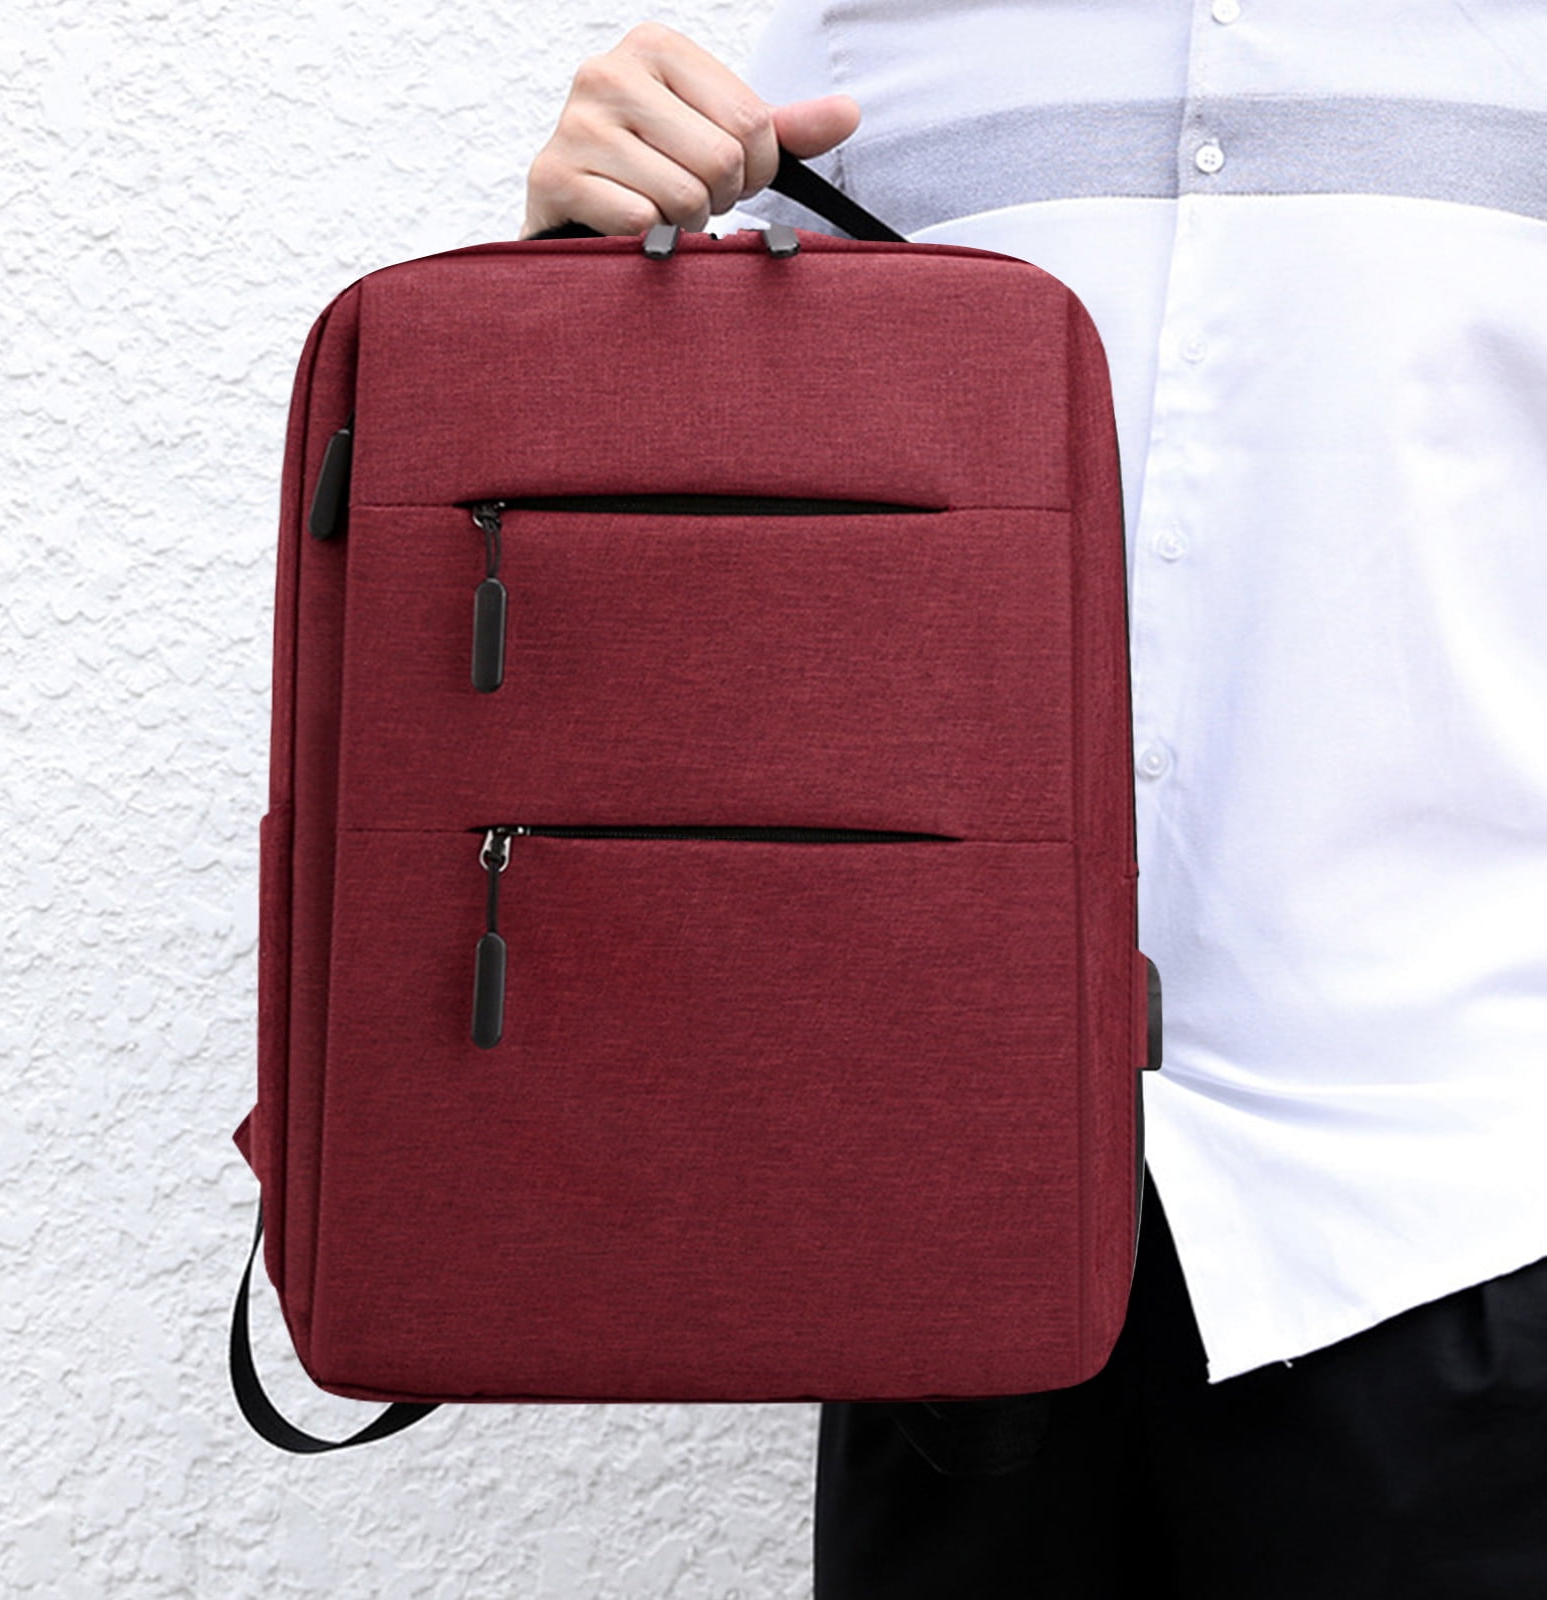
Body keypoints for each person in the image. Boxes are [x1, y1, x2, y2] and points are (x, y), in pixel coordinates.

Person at [522, 8, 1547, 1597]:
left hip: (1462, 1220)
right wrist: (565, 280)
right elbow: (689, 615)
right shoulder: (853, 42)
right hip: (949, 1237)